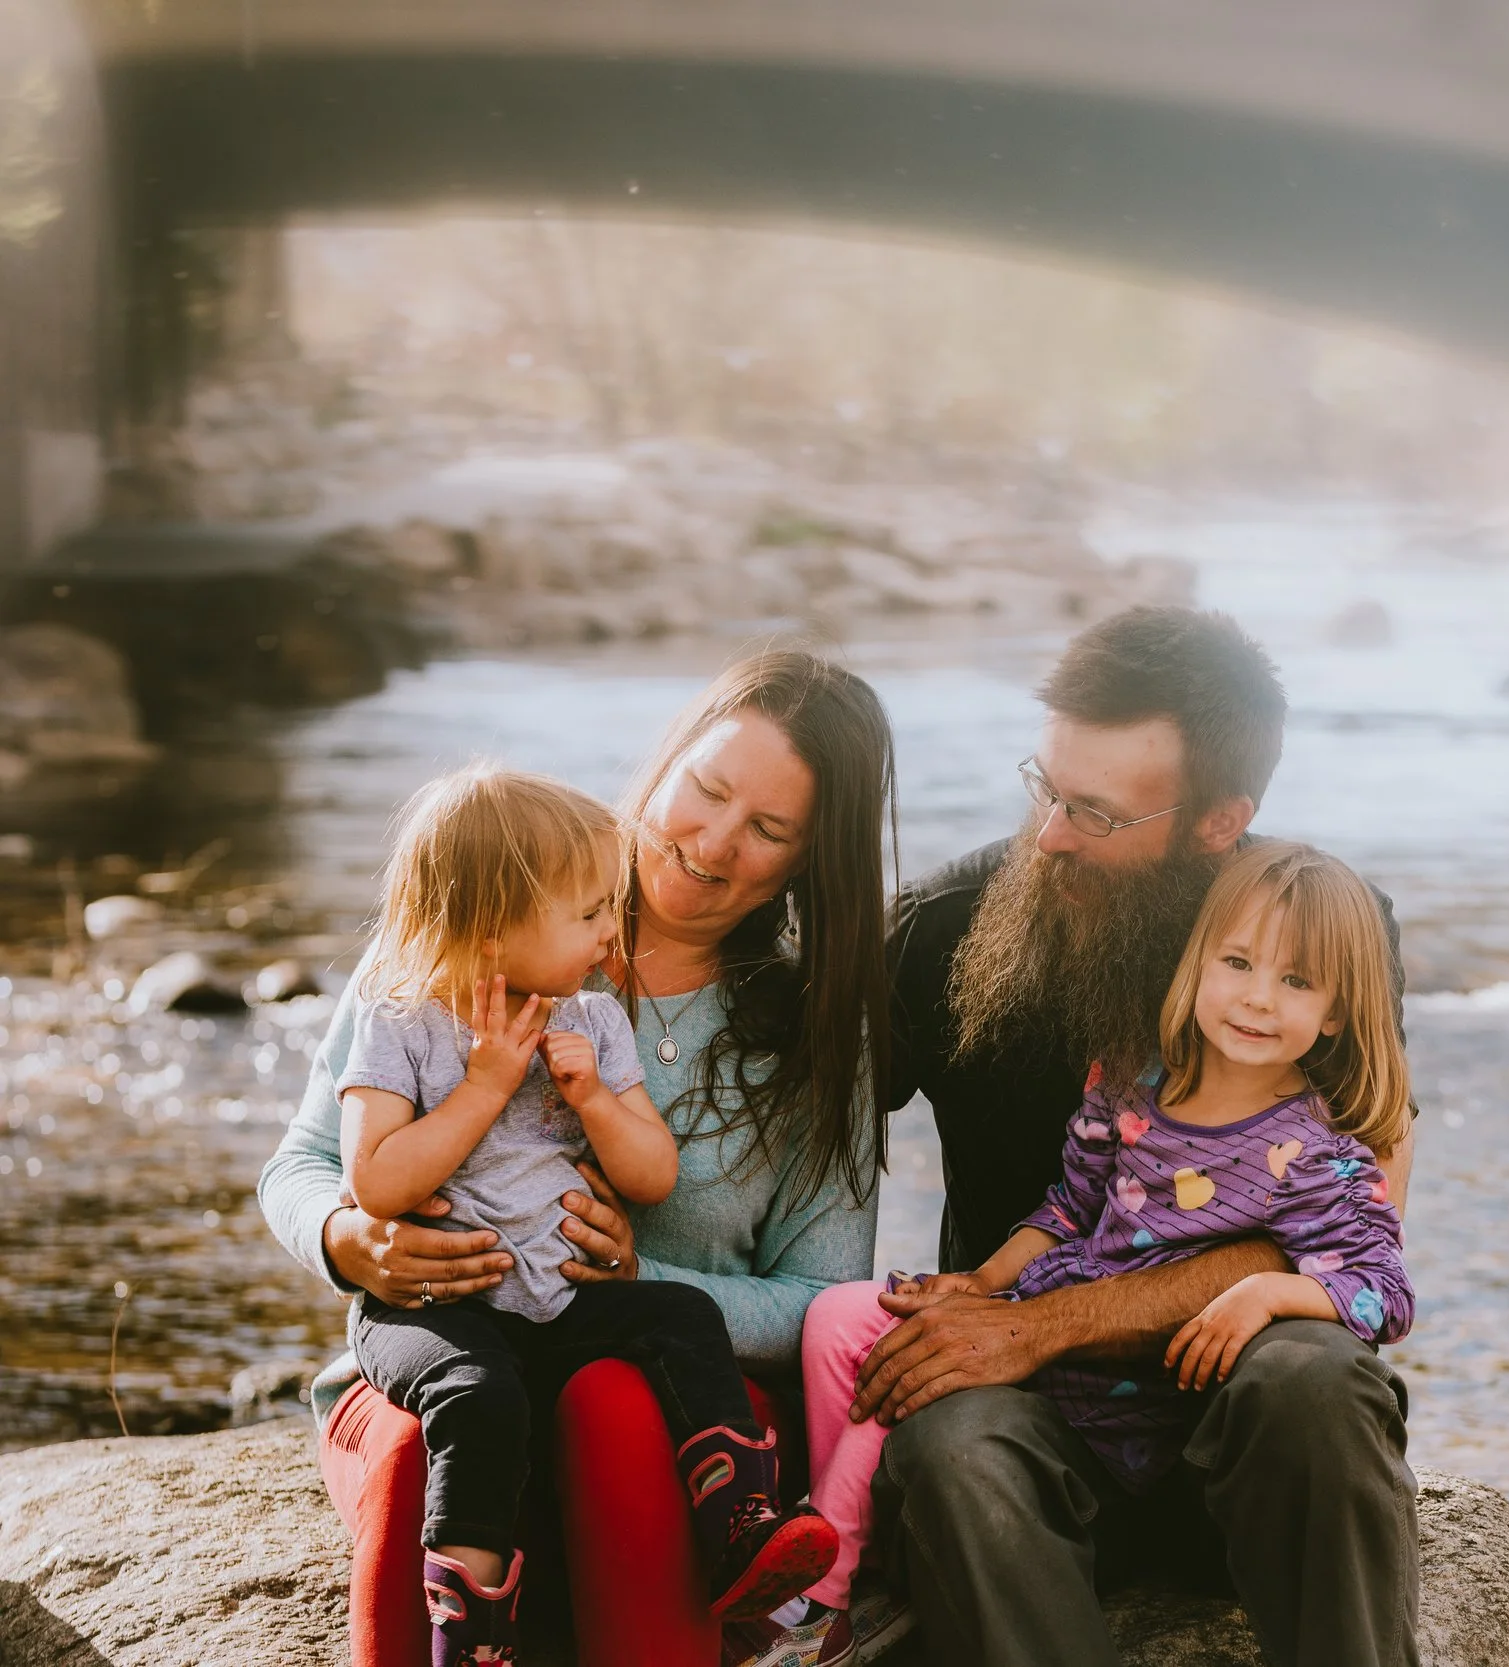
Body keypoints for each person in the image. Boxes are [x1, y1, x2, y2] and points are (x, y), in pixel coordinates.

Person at [259, 650, 896, 1667]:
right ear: (667, 759)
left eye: (769, 830)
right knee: (434, 1433)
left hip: (665, 1408)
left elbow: (824, 1301)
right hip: (454, 1365)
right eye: (708, 788)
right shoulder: (467, 919)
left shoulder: (813, 1034)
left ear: (810, 861)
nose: (713, 842)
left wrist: (643, 1275)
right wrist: (348, 1237)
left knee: (613, 1404)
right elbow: (302, 1158)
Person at [845, 606, 1422, 1667]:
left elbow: (1364, 1229)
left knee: (1314, 1378)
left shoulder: (1318, 938)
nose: (1050, 835)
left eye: (1097, 813)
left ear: (1218, 820)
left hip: (1249, 1432)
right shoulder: (941, 924)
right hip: (1045, 1442)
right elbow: (779, 1114)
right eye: (1046, 787)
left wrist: (1047, 1323)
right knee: (948, 1439)